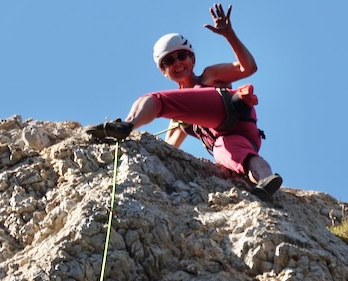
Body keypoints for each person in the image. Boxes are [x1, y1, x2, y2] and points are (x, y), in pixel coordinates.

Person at [85, 3, 282, 201]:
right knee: (235, 156)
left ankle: (126, 124)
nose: (177, 63)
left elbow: (248, 68)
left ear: (192, 59)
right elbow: (167, 148)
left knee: (156, 100)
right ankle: (265, 181)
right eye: (169, 61)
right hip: (237, 136)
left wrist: (229, 34)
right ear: (164, 71)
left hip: (229, 109)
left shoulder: (209, 76)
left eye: (181, 56)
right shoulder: (181, 120)